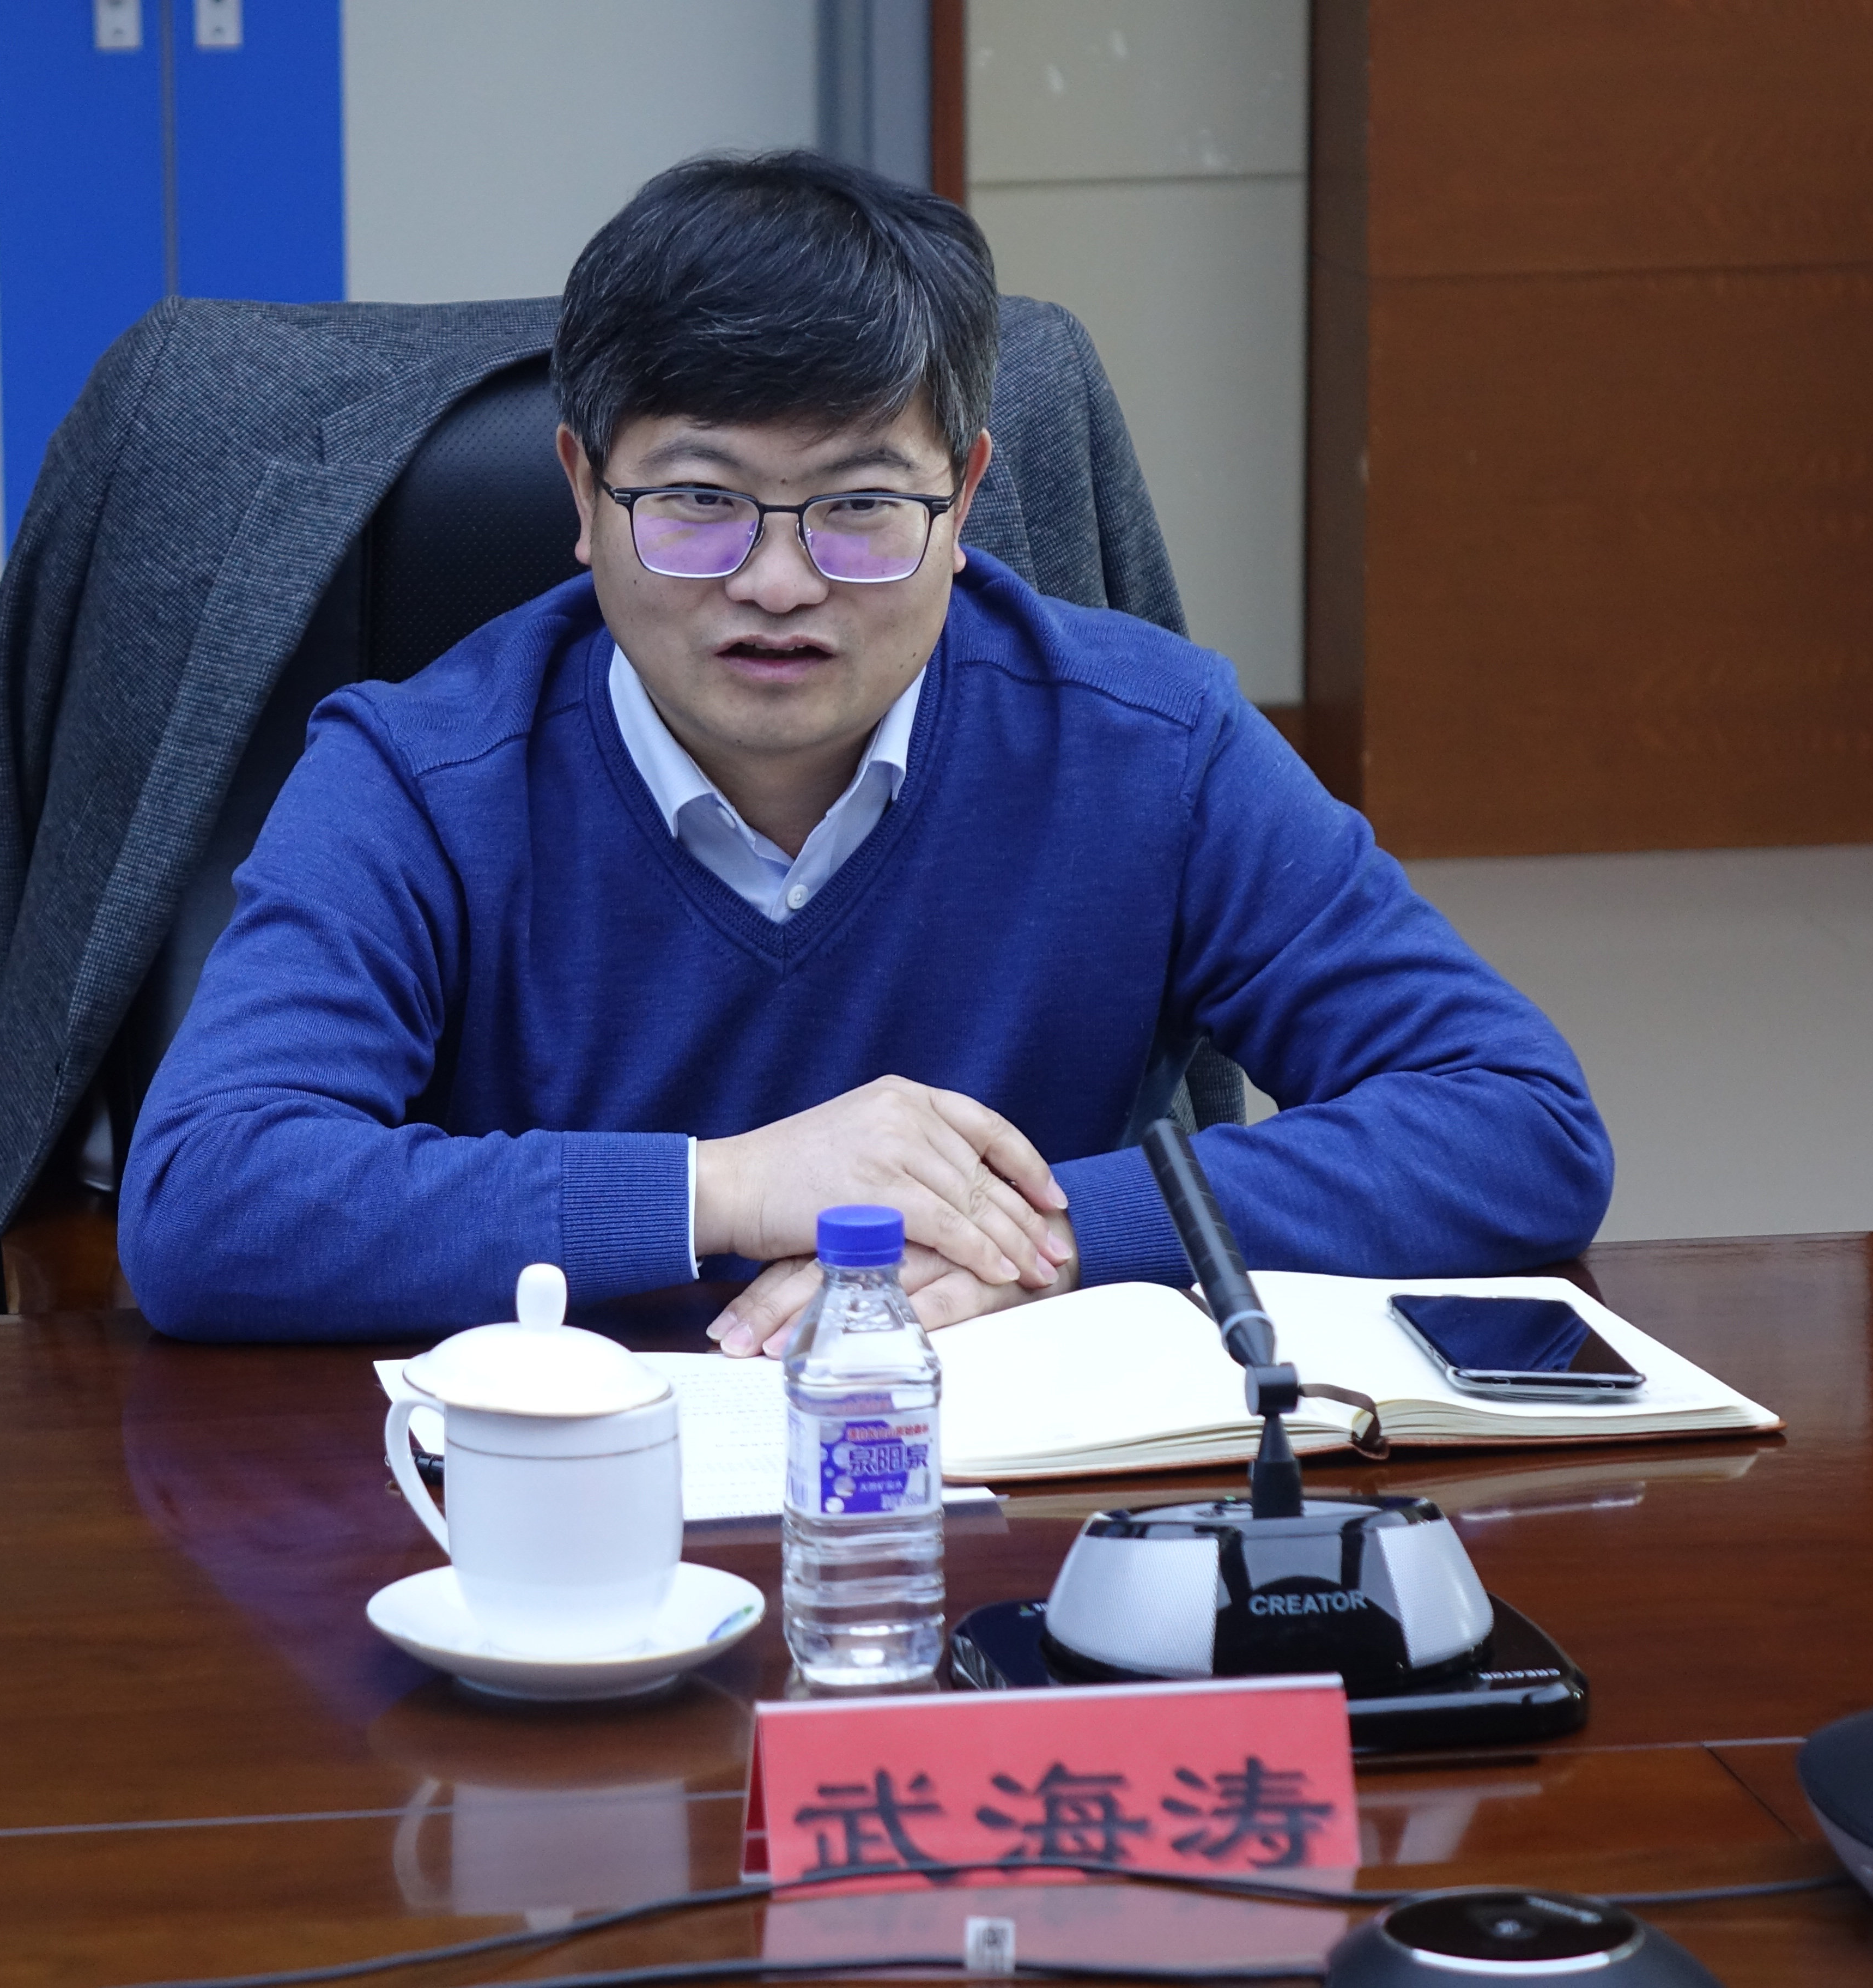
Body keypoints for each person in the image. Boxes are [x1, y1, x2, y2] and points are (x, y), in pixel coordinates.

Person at [117, 151, 1611, 1349]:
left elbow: (1518, 1124)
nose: (777, 582)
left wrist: (1043, 1235)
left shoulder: (1152, 744)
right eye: (698, 502)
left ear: (963, 499)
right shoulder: (416, 776)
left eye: (859, 508)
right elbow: (206, 1199)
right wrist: (726, 1189)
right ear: (582, 493)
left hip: (1010, 1510)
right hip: (554, 1517)